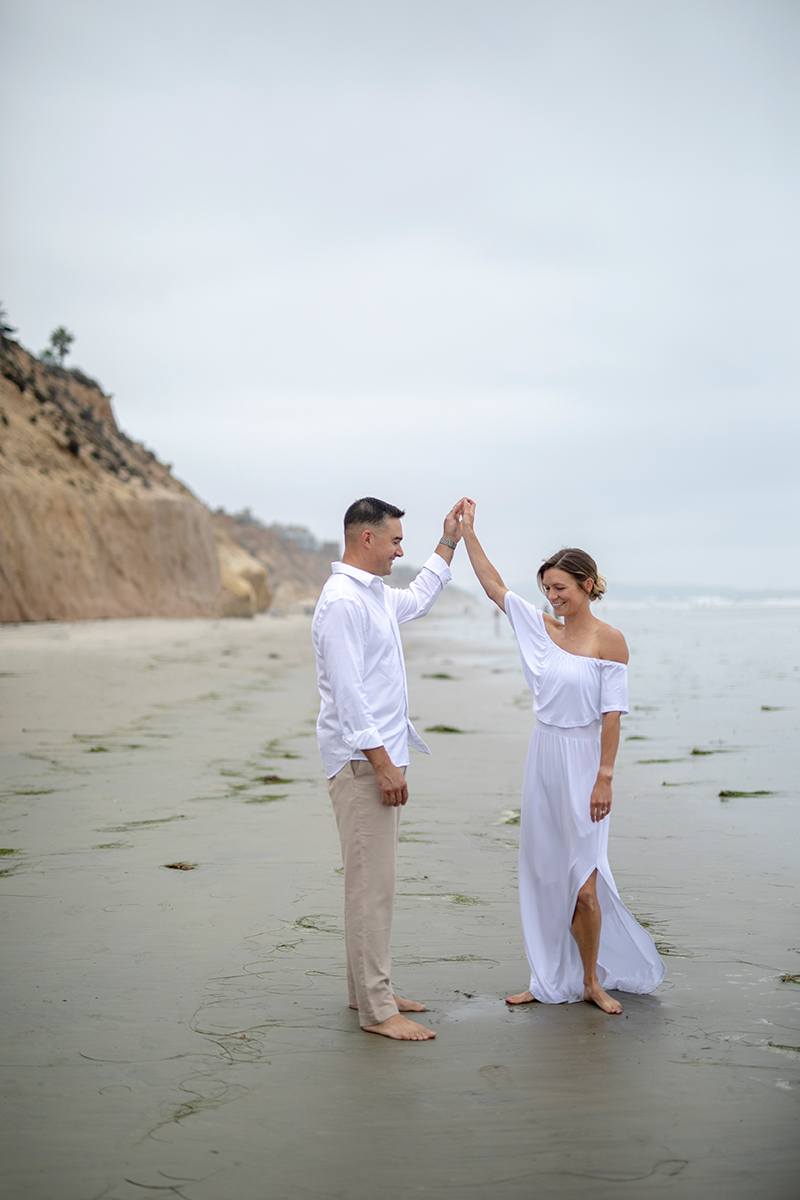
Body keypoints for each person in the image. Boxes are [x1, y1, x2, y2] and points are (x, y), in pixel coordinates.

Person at [460, 501, 664, 1014]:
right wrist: (465, 534)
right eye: (548, 589)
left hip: (585, 761)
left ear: (588, 585)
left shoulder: (610, 641)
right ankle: (547, 977)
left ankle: (592, 980)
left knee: (585, 885)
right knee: (546, 874)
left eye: (562, 589)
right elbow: (492, 585)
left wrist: (605, 779)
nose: (553, 598)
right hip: (544, 758)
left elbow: (613, 715)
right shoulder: (538, 627)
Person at [312, 496, 464, 1041]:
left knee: (376, 883)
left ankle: (368, 991)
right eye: (396, 540)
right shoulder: (342, 603)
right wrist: (383, 766)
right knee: (370, 887)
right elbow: (350, 697)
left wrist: (450, 540)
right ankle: (377, 1011)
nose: (402, 549)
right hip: (361, 763)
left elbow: (419, 598)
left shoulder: (371, 596)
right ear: (366, 538)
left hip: (379, 757)